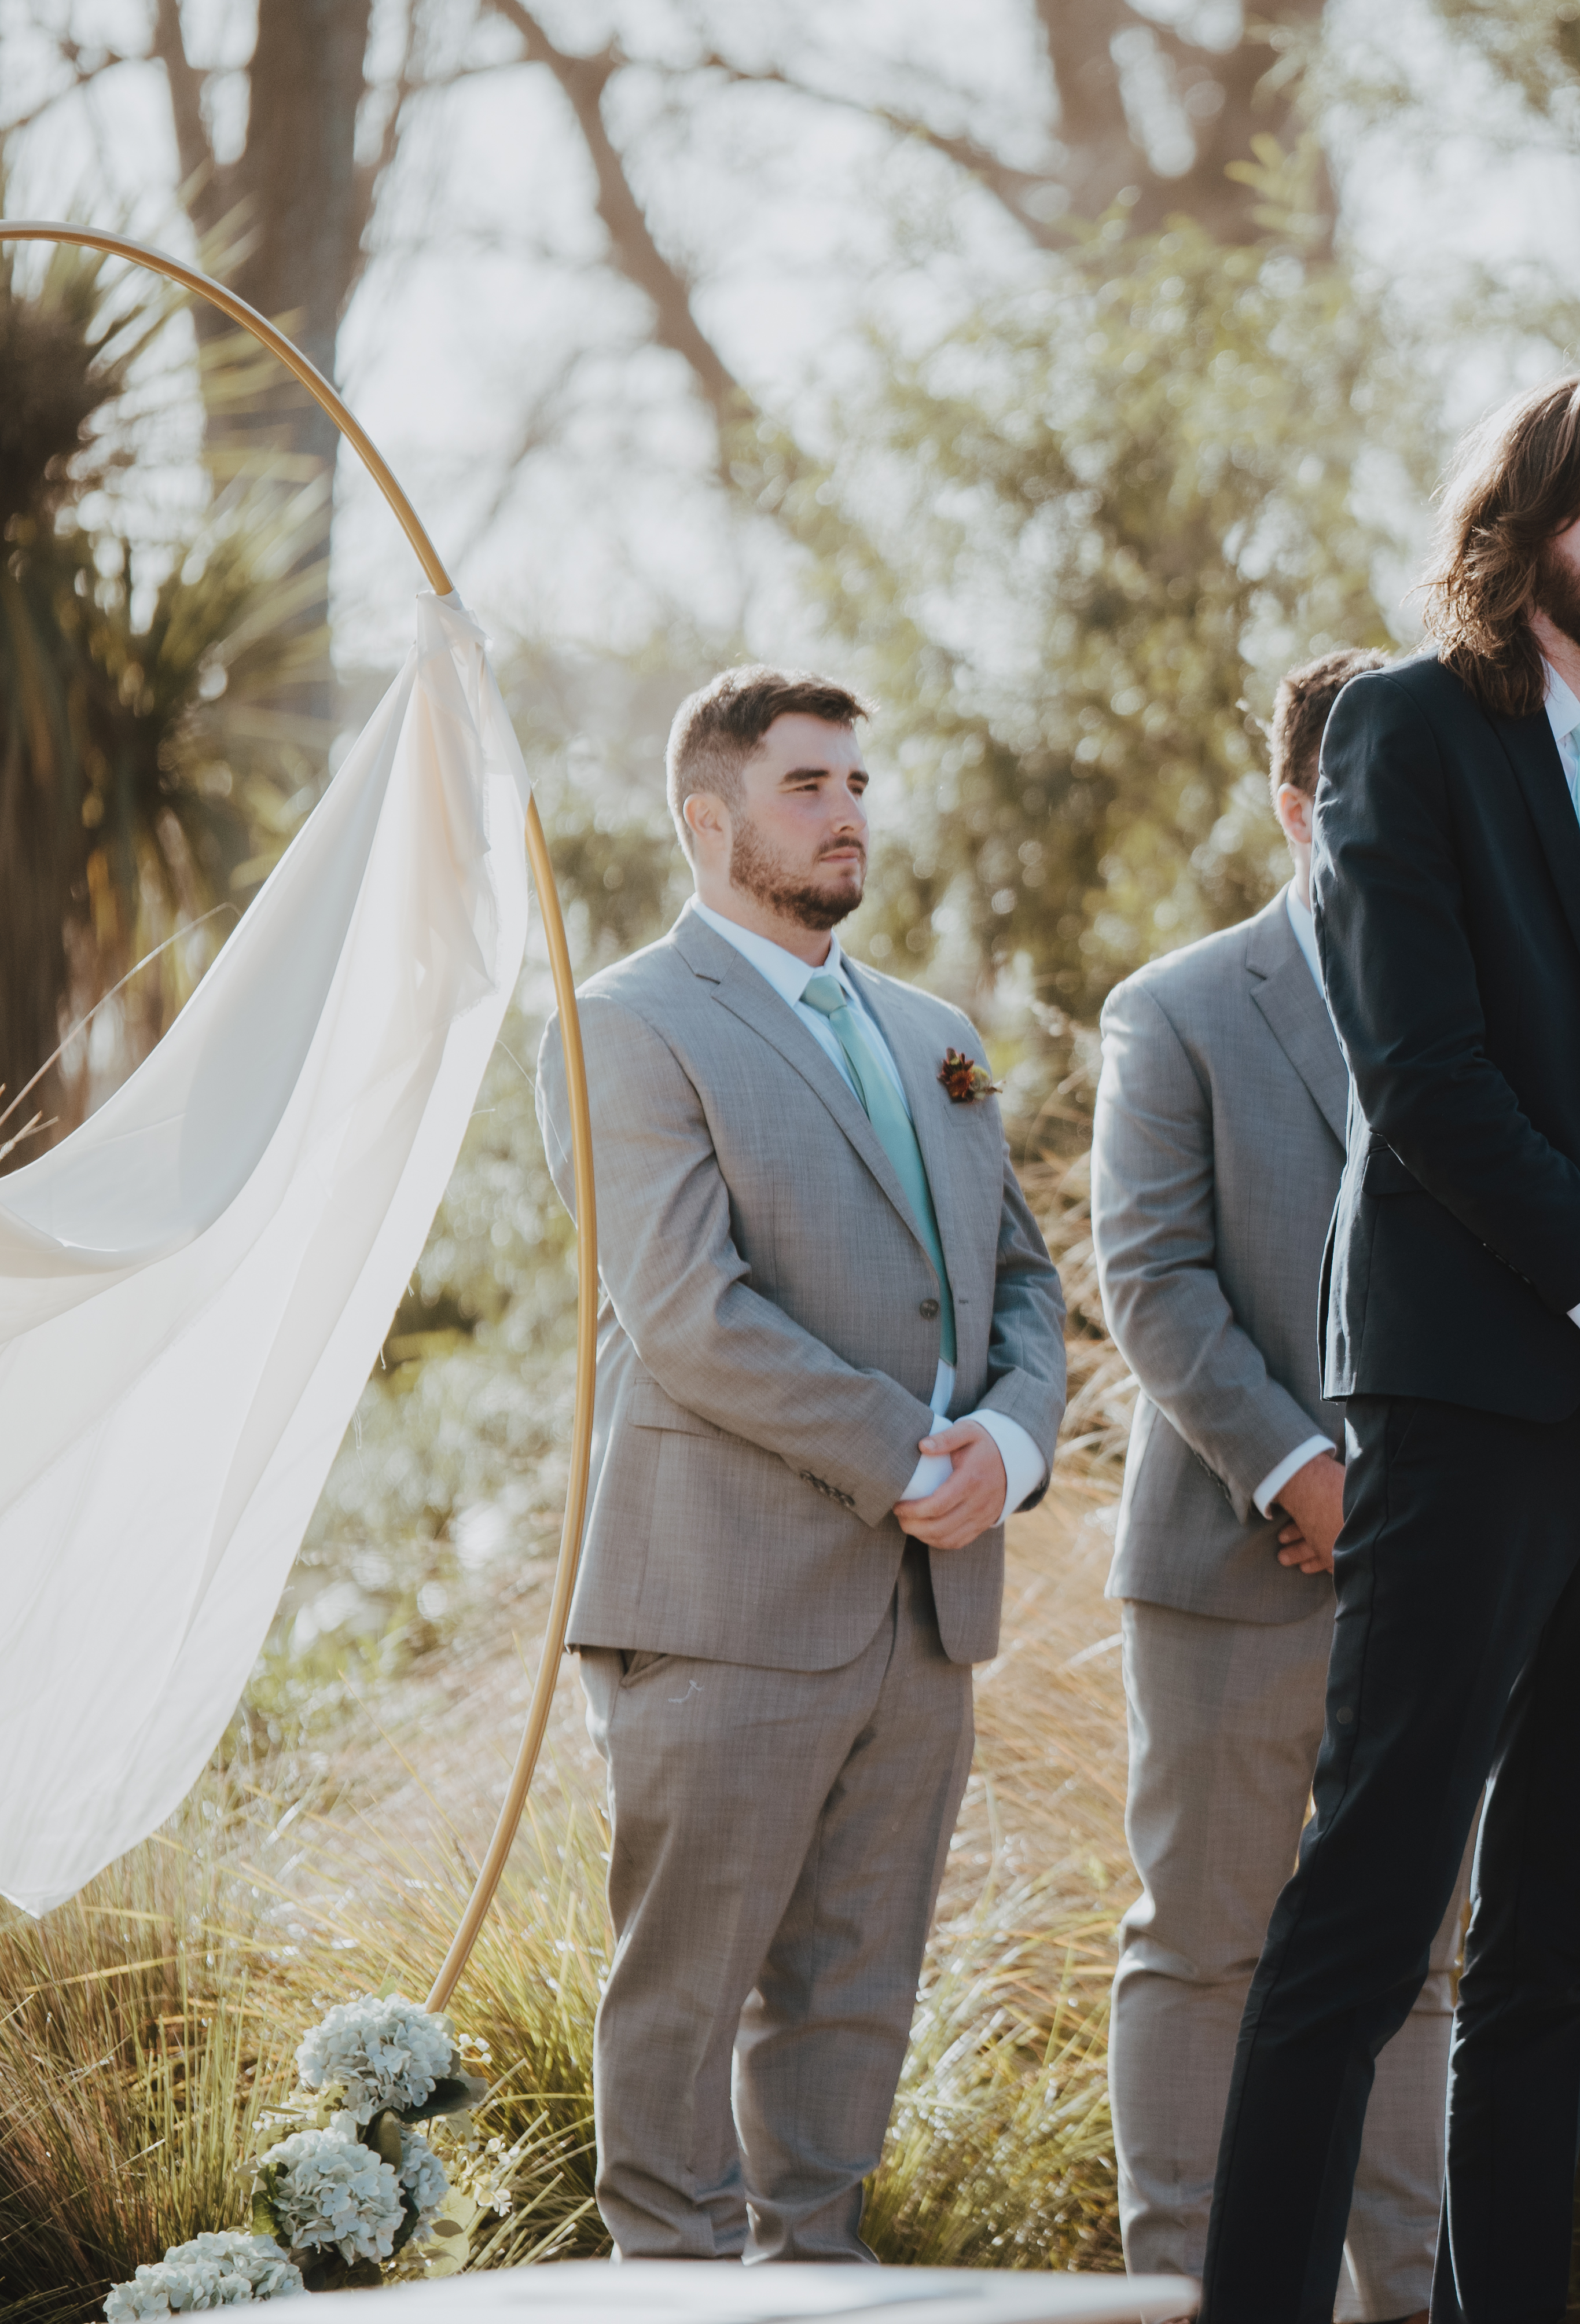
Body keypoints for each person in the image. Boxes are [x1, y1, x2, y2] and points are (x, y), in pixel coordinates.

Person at [1199, 376, 1580, 2323]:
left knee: (1559, 1939)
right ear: (1521, 520)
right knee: (1367, 1914)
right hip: (1475, 1395)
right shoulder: (1404, 727)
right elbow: (1426, 1075)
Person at [533, 665, 1068, 2262]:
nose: (846, 814)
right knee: (685, 1997)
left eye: (854, 784)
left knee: (856, 1999)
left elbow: (1023, 1277)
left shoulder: (940, 1036)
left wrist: (1013, 1448)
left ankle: (815, 2288)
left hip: (926, 1609)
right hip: (723, 1601)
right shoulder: (622, 1026)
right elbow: (688, 1312)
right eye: (806, 787)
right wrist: (911, 1453)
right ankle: (673, 2297)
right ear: (710, 821)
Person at [1093, 644, 1456, 2319]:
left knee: (1418, 1964)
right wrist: (1305, 1474)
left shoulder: (1491, 1000)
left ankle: (1413, 2295)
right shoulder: (1177, 1008)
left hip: (1450, 1568)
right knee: (1207, 1945)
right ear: (1298, 804)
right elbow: (1154, 1278)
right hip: (1236, 1568)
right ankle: (1190, 2295)